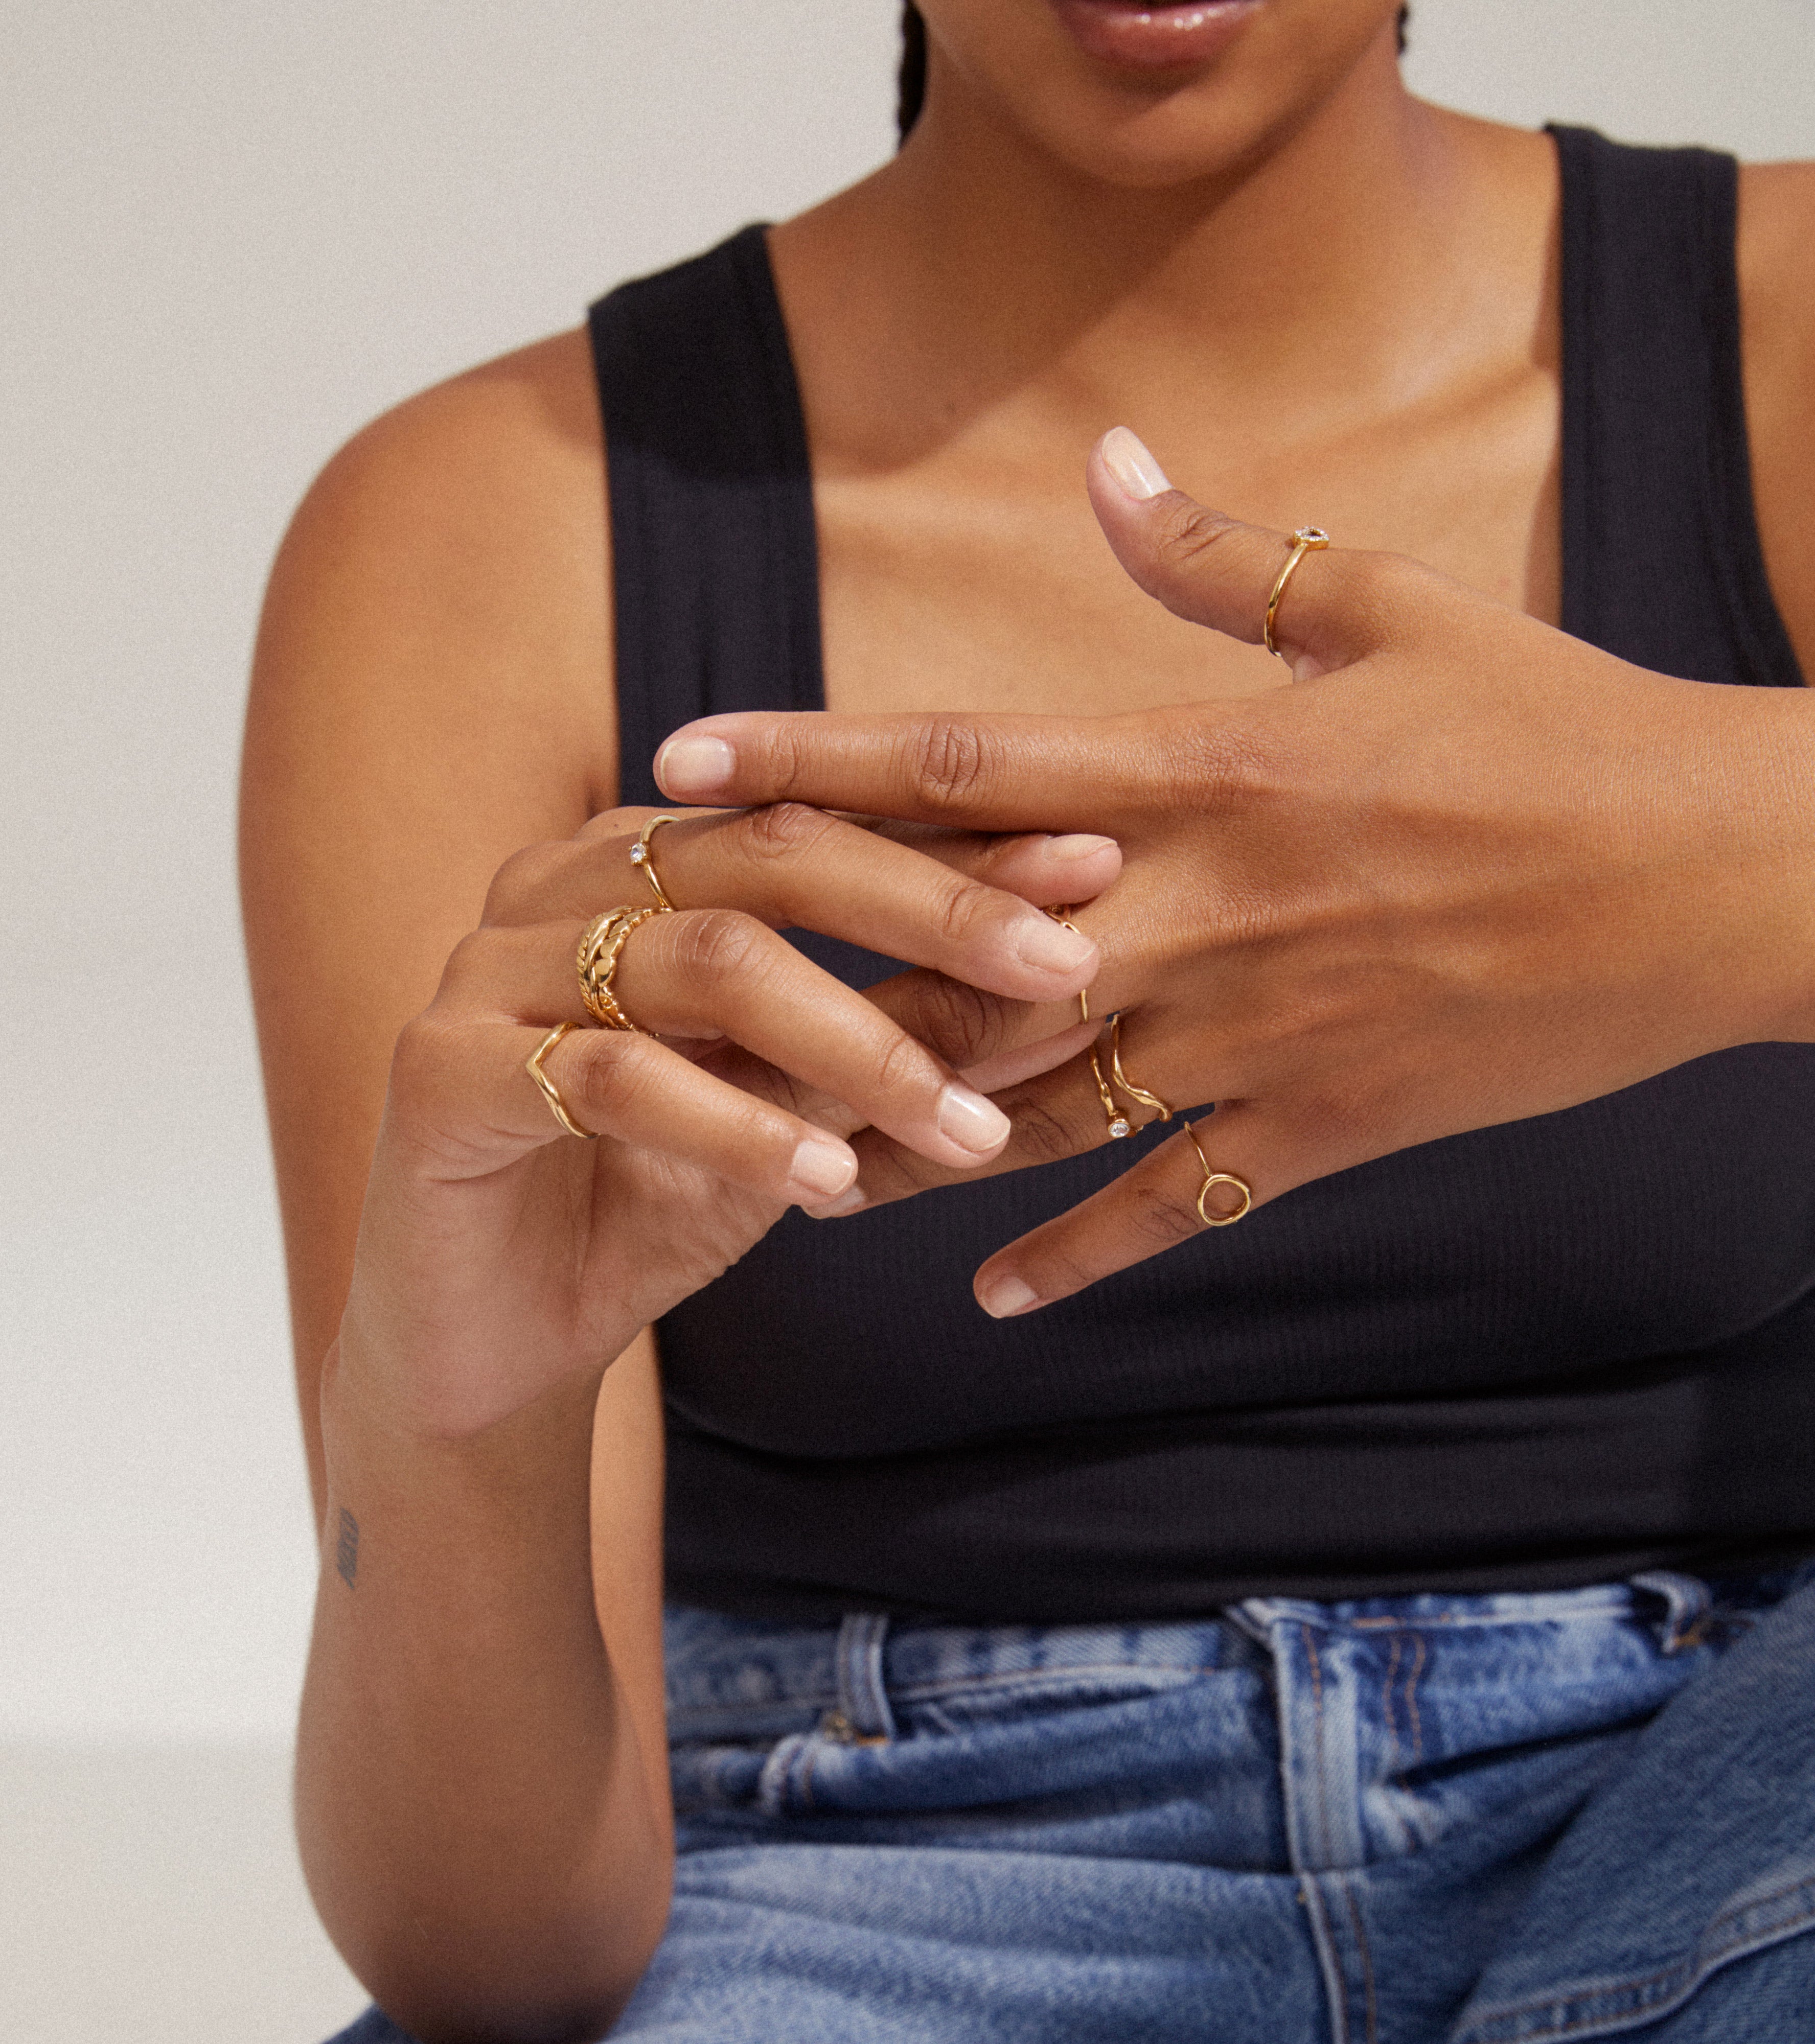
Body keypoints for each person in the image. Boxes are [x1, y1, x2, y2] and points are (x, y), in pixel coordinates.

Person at [238, 3, 1815, 2037]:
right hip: (870, 1876)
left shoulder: (1777, 349)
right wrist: (453, 1409)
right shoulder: (481, 529)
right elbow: (495, 1966)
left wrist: (1731, 853)